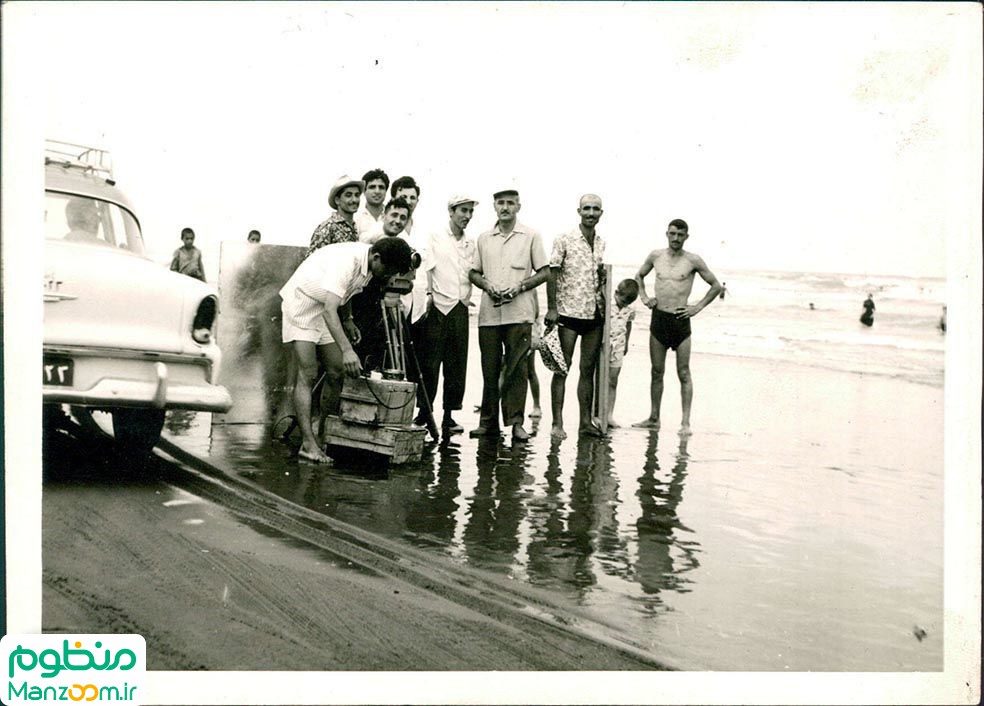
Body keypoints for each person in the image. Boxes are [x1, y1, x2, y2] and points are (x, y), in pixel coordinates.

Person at [279, 237, 413, 464]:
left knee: (337, 371)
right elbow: (331, 309)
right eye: (388, 270)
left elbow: (345, 293)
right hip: (302, 305)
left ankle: (321, 434)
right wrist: (348, 349)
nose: (389, 277)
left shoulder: (371, 264)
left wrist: (349, 319)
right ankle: (307, 444)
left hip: (324, 308)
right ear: (377, 257)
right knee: (308, 373)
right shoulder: (347, 263)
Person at [468, 188, 549, 441]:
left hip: (520, 314)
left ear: (518, 207)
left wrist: (521, 286)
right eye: (500, 203)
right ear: (494, 206)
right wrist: (486, 285)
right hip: (489, 315)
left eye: (510, 203)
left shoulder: (531, 236)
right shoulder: (483, 238)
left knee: (517, 371)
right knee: (489, 369)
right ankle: (487, 423)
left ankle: (516, 424)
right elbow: (473, 273)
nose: (505, 208)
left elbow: (545, 272)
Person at [632, 218, 722, 436]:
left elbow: (716, 286)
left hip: (681, 321)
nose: (676, 238)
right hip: (659, 319)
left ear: (686, 237)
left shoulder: (693, 260)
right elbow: (639, 276)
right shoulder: (656, 256)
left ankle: (685, 423)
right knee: (657, 371)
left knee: (683, 372)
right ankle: (654, 418)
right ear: (667, 234)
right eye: (672, 234)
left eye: (680, 235)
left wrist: (696, 308)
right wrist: (644, 297)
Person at [545, 194, 607, 439]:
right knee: (562, 368)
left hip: (594, 315)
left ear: (601, 213)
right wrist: (551, 308)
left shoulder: (602, 242)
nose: (591, 213)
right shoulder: (565, 239)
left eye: (595, 209)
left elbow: (601, 277)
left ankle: (585, 422)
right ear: (579, 211)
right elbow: (552, 273)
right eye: (587, 209)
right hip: (568, 313)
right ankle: (557, 423)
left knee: (588, 370)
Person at [416, 195, 479, 434]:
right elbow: (428, 268)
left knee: (456, 365)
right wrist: (430, 295)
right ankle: (424, 413)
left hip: (460, 308)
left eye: (470, 211)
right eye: (463, 210)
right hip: (438, 307)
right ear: (451, 211)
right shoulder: (435, 236)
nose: (467, 216)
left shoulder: (471, 243)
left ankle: (449, 416)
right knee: (430, 364)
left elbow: (472, 273)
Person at [349, 198, 413, 371]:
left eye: (402, 217)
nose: (397, 221)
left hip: (385, 305)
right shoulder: (369, 238)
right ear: (384, 215)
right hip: (363, 304)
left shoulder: (402, 242)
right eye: (394, 215)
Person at [606, 279, 639, 427]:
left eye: (628, 303)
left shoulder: (629, 309)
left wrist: (627, 342)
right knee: (599, 380)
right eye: (623, 301)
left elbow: (628, 324)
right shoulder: (608, 305)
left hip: (618, 346)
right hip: (605, 345)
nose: (624, 304)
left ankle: (609, 415)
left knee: (613, 381)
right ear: (616, 293)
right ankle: (596, 412)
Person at [307, 175, 363, 257]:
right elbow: (311, 262)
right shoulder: (327, 228)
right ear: (337, 200)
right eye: (348, 195)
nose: (354, 200)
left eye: (357, 195)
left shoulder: (356, 227)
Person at [355, 168, 389, 236]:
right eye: (372, 187)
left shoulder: (392, 216)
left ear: (386, 191)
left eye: (381, 187)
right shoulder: (356, 218)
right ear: (364, 191)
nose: (377, 191)